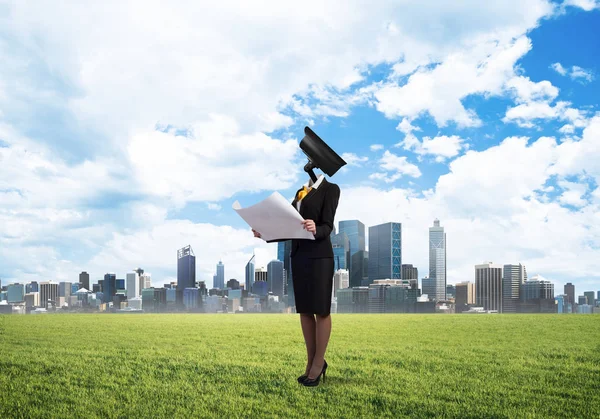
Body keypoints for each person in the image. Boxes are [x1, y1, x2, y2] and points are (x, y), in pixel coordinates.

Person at [253, 172, 340, 387]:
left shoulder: (331, 189)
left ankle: (319, 364)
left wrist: (316, 228)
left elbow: (328, 225)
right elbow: (290, 228)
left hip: (320, 256)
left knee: (321, 310)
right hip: (299, 256)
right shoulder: (300, 193)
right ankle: (310, 362)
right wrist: (265, 234)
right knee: (305, 311)